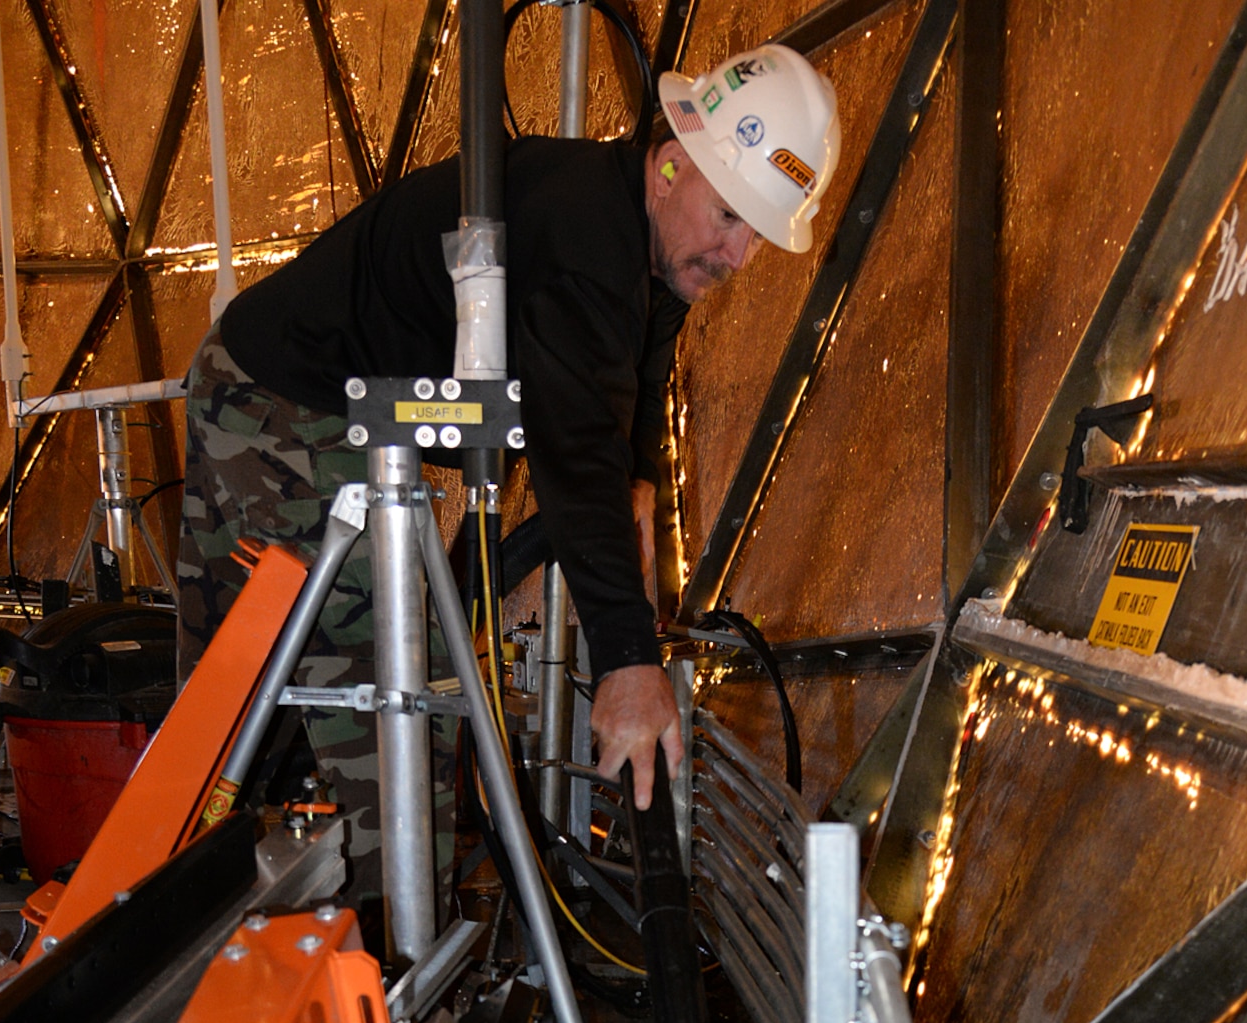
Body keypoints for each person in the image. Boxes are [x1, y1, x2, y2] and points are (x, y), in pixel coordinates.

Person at [177, 42, 838, 881]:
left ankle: (191, 882)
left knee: (236, 670)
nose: (738, 258)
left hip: (255, 374)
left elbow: (643, 356)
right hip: (282, 406)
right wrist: (627, 662)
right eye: (731, 218)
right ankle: (388, 943)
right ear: (672, 165)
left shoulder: (635, 224)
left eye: (755, 236)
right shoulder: (583, 237)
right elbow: (573, 449)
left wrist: (639, 476)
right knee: (401, 679)